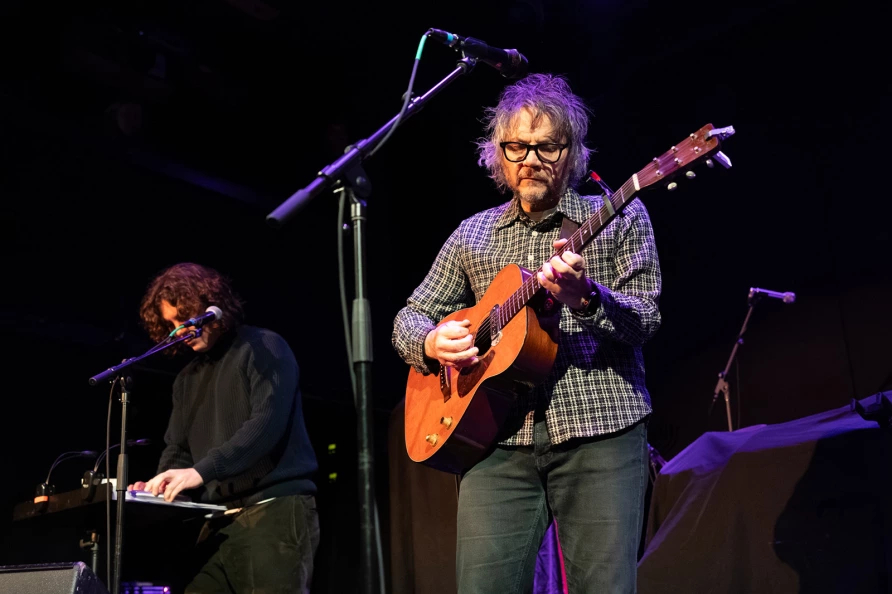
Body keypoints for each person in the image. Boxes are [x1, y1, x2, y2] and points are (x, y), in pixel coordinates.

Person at [392, 73, 662, 593]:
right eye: (516, 147)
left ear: (572, 151)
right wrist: (430, 342)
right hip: (493, 441)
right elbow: (411, 316)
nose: (530, 159)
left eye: (546, 147)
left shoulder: (618, 216)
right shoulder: (472, 234)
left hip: (600, 433)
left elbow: (645, 319)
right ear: (497, 153)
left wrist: (587, 297)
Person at [129, 262, 320, 594]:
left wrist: (200, 472)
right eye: (171, 324)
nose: (179, 330)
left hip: (271, 513)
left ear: (209, 305)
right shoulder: (186, 379)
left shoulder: (265, 346)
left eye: (184, 317)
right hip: (217, 522)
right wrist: (158, 487)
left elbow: (264, 426)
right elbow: (178, 450)